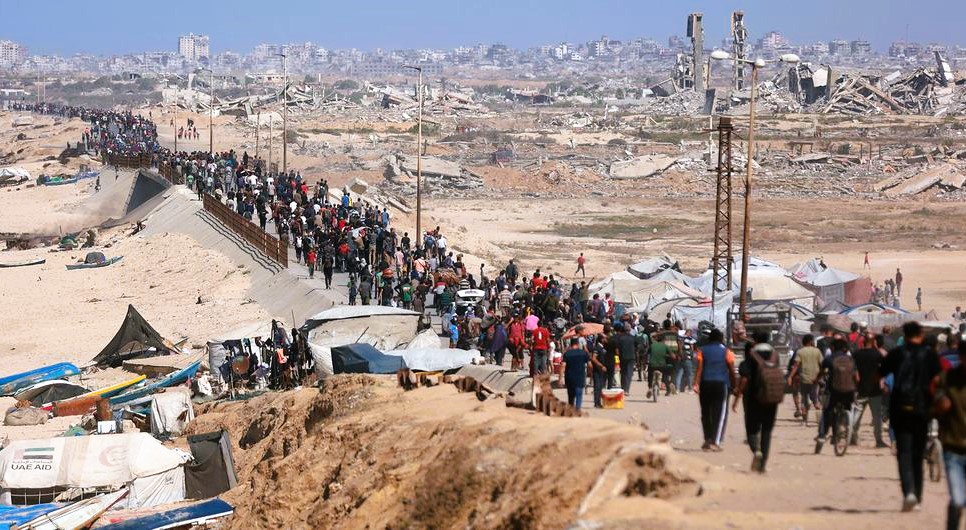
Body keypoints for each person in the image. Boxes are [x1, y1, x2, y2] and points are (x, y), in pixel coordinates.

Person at [880, 321, 941, 512]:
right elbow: (938, 381)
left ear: (904, 336)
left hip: (900, 408)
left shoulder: (896, 354)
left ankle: (909, 493)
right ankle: (918, 498)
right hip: (922, 409)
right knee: (918, 454)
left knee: (904, 453)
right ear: (920, 335)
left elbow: (880, 375)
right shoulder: (930, 355)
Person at [734, 332, 782, 473]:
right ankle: (763, 465)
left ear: (754, 341)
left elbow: (744, 378)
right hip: (771, 398)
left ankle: (756, 451)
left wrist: (736, 398)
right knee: (767, 431)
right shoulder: (775, 356)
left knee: (752, 429)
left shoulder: (751, 356)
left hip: (753, 398)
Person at [932, 340, 966, 530]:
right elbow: (936, 400)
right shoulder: (947, 378)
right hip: (953, 448)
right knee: (957, 499)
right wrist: (940, 402)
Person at [813, 337, 859, 454]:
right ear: (844, 349)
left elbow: (821, 373)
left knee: (827, 411)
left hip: (834, 391)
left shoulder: (829, 359)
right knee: (847, 408)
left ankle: (822, 435)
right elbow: (857, 378)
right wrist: (855, 389)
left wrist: (816, 380)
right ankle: (842, 429)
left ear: (832, 348)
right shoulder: (851, 359)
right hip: (849, 391)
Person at [693, 329, 736, 451]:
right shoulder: (727, 351)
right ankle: (715, 441)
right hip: (721, 384)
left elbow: (699, 368)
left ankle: (707, 439)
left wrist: (695, 383)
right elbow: (731, 370)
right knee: (719, 413)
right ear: (721, 339)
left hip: (705, 383)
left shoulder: (701, 350)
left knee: (705, 412)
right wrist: (734, 385)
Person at [852, 332, 889, 448]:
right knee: (877, 417)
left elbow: (854, 370)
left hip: (862, 388)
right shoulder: (877, 354)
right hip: (875, 390)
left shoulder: (857, 354)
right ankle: (879, 440)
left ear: (863, 342)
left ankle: (852, 437)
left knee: (857, 415)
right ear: (874, 342)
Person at [562, 338, 591, 410]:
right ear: (578, 344)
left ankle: (571, 409)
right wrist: (590, 373)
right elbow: (590, 365)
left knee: (570, 395)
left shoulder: (567, 354)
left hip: (569, 377)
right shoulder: (584, 353)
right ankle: (577, 410)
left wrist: (560, 378)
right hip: (580, 377)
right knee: (579, 395)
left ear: (571, 344)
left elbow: (563, 366)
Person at [612, 323, 638, 396]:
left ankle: (623, 388)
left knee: (623, 373)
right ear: (630, 330)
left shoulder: (620, 338)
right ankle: (627, 389)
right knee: (629, 373)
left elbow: (617, 348)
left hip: (622, 357)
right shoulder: (633, 338)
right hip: (631, 357)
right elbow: (637, 346)